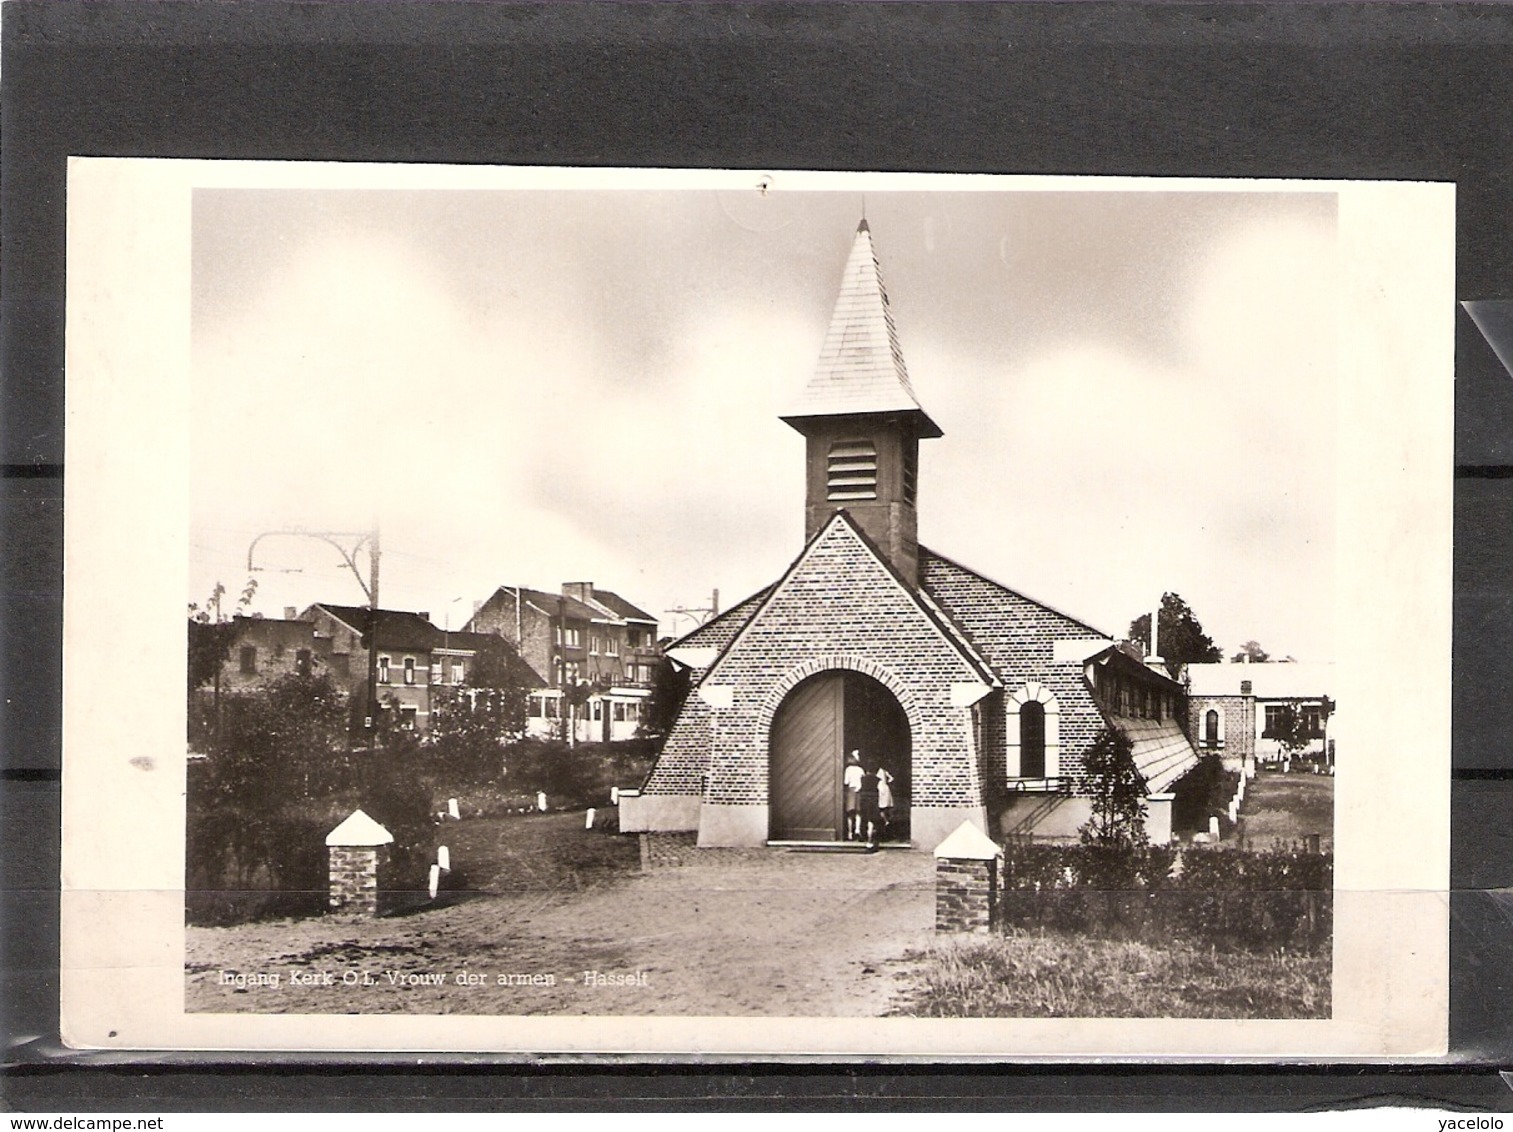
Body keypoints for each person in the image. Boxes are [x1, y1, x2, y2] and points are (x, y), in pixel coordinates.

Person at [843, 750, 865, 840]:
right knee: (858, 813)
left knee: (850, 813)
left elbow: (846, 782)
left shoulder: (848, 770)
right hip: (859, 790)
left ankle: (850, 833)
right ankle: (857, 829)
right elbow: (863, 780)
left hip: (851, 790)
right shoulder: (860, 770)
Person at [875, 764, 895, 841]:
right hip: (886, 788)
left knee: (881, 808)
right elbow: (891, 778)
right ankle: (887, 820)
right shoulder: (884, 771)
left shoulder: (878, 772)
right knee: (886, 807)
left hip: (881, 790)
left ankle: (885, 821)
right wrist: (887, 782)